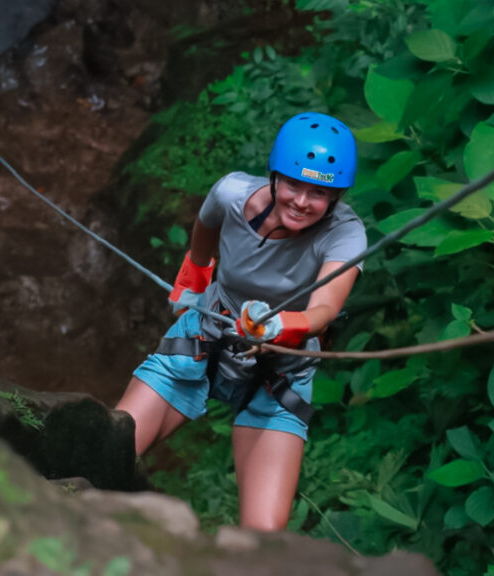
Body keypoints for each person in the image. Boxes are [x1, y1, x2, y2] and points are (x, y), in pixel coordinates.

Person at [115, 111, 367, 531]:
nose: (302, 202)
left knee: (263, 538)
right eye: (293, 184)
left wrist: (277, 327)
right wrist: (195, 274)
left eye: (319, 193)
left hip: (280, 374)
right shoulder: (232, 194)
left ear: (337, 196)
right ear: (274, 177)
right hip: (203, 338)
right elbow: (205, 226)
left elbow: (323, 310)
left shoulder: (345, 235)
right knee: (111, 449)